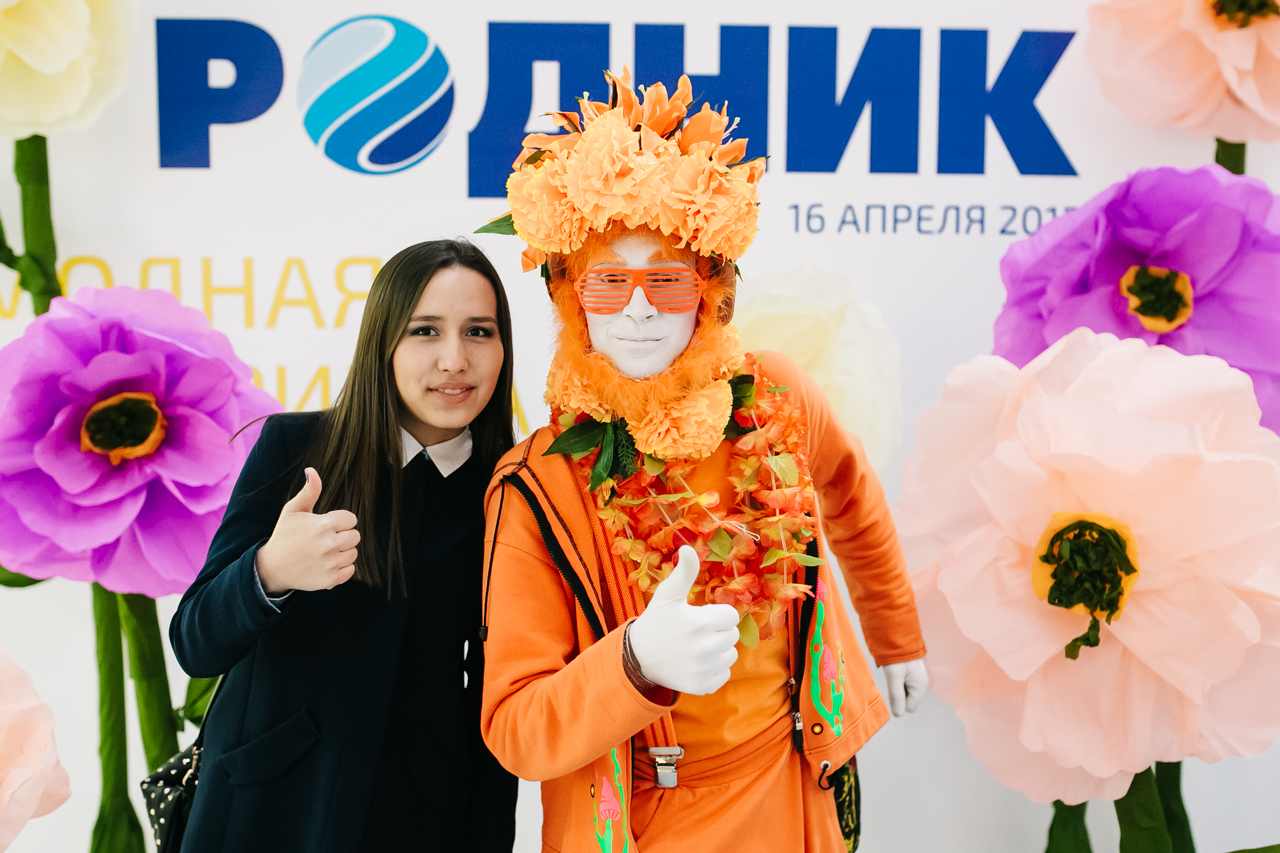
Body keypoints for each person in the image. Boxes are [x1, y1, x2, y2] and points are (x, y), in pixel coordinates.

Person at [477, 72, 929, 852]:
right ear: (571, 298)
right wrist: (634, 660)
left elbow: (851, 496)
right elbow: (517, 727)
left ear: (709, 291)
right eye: (609, 283)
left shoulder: (776, 395)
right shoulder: (538, 484)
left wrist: (898, 636)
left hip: (794, 785)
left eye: (667, 280)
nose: (640, 307)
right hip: (645, 820)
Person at [170, 239, 519, 853]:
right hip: (264, 804)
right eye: (425, 331)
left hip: (415, 816)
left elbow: (498, 692)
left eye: (478, 331)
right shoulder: (295, 449)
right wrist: (269, 571)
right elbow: (195, 642)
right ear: (382, 342)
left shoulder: (508, 491)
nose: (455, 359)